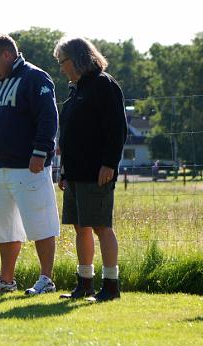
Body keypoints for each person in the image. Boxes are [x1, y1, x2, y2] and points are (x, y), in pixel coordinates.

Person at [0, 34, 60, 295]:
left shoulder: (35, 78)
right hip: (2, 169)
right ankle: (6, 279)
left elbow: (48, 117)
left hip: (29, 167)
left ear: (6, 55)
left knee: (40, 223)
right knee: (5, 228)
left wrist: (40, 152)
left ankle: (46, 279)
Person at [54, 37, 128, 302]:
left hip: (97, 172)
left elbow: (117, 129)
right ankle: (84, 283)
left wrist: (109, 163)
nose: (61, 68)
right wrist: (64, 171)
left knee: (100, 227)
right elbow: (69, 135)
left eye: (63, 62)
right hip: (74, 173)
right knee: (80, 227)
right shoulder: (76, 90)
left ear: (77, 58)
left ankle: (111, 285)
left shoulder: (103, 85)